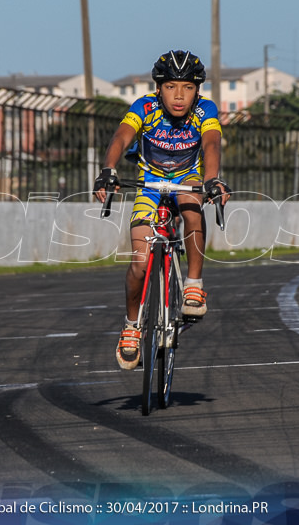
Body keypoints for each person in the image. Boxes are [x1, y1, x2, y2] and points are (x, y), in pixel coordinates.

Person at [93, 50, 231, 371]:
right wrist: (108, 168)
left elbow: (211, 144)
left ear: (198, 90)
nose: (179, 95)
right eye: (170, 86)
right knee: (139, 263)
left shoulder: (205, 111)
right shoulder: (144, 108)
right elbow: (121, 137)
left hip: (189, 178)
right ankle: (131, 326)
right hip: (149, 185)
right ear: (158, 88)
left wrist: (212, 179)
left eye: (187, 87)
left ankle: (194, 284)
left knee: (191, 206)